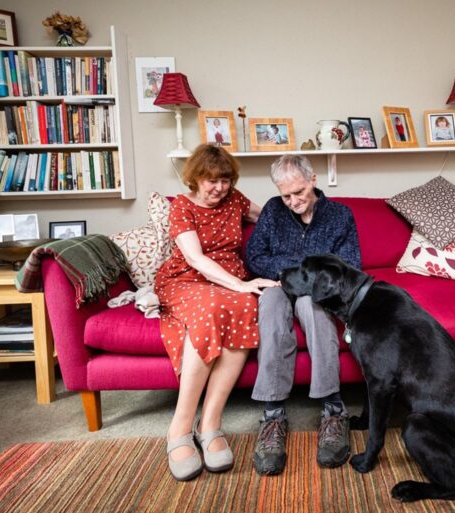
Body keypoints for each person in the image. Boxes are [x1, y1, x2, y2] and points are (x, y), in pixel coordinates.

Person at [154, 144, 278, 481]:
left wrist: (305, 209)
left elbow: (269, 215)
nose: (219, 188)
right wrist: (238, 284)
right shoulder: (182, 207)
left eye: (225, 180)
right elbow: (195, 259)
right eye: (211, 181)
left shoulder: (234, 199)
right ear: (195, 178)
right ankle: (179, 427)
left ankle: (210, 422)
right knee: (211, 308)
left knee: (246, 305)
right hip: (187, 279)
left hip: (229, 283)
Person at [246, 154, 362, 475]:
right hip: (279, 282)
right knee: (269, 307)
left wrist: (309, 280)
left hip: (317, 288)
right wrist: (287, 273)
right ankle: (272, 416)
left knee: (314, 307)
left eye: (299, 192)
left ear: (312, 178)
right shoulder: (273, 210)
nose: (293, 201)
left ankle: (333, 409)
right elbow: (255, 255)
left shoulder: (339, 215)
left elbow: (350, 264)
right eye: (286, 195)